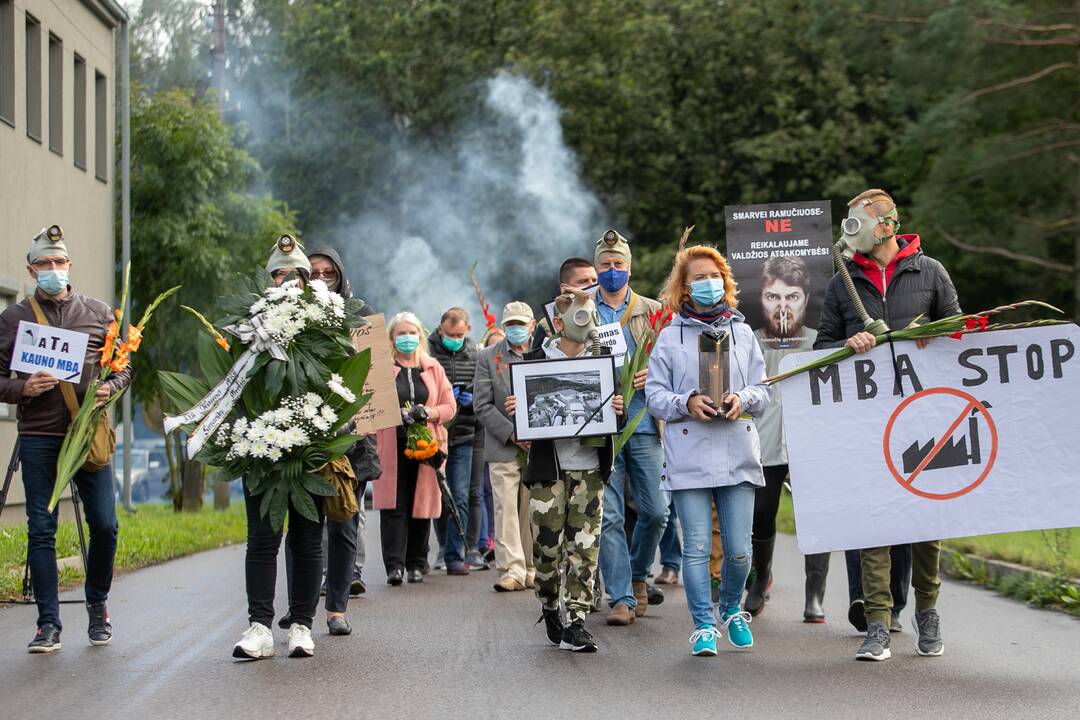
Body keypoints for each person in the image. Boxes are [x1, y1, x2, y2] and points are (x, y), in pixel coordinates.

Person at [816, 188, 960, 661]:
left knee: (925, 521)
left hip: (925, 419)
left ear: (885, 225)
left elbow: (957, 332)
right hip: (870, 423)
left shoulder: (931, 272)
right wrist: (846, 346)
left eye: (857, 220)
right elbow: (823, 347)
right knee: (873, 522)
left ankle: (928, 611)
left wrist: (933, 336)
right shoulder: (842, 283)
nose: (849, 230)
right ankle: (878, 623)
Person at [0, 226, 129, 653]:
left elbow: (124, 365)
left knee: (106, 526)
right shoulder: (13, 319)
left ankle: (98, 605)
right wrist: (22, 389)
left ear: (69, 266)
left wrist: (113, 386)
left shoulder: (97, 312)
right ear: (31, 270)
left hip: (88, 434)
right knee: (41, 530)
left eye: (59, 263)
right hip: (39, 436)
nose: (52, 270)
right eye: (44, 264)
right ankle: (48, 625)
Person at [645, 242, 770, 657]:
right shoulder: (669, 337)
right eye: (699, 278)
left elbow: (762, 391)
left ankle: (731, 608)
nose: (708, 283)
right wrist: (686, 402)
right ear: (684, 288)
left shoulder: (743, 332)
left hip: (736, 450)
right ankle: (702, 624)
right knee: (696, 547)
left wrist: (742, 399)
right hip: (689, 453)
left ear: (726, 283)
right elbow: (654, 396)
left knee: (738, 549)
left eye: (714, 276)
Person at [507, 288, 624, 652]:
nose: (583, 322)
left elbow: (612, 414)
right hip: (549, 470)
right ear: (558, 322)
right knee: (546, 549)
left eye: (588, 315)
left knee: (585, 547)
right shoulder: (536, 359)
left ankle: (576, 620)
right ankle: (548, 603)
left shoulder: (603, 359)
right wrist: (519, 410)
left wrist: (617, 407)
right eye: (576, 315)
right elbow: (524, 420)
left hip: (589, 470)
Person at [233, 235, 327, 660]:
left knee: (308, 541)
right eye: (280, 274)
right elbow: (231, 385)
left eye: (297, 275)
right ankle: (259, 627)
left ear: (308, 281)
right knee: (262, 539)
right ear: (269, 279)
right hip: (263, 448)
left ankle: (302, 626)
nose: (288, 281)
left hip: (311, 449)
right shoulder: (248, 325)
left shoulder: (327, 322)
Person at [278, 246, 380, 637]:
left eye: (328, 272)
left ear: (340, 275)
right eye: (313, 273)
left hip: (350, 439)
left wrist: (367, 420)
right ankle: (298, 605)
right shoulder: (290, 314)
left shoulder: (359, 315)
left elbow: (373, 377)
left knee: (343, 524)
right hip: (300, 436)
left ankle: (336, 608)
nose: (321, 279)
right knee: (301, 524)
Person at [591, 230, 667, 625]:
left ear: (630, 267)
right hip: (600, 428)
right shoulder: (579, 309)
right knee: (611, 516)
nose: (613, 271)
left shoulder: (653, 311)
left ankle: (638, 574)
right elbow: (563, 359)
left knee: (657, 511)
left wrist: (653, 373)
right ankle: (621, 597)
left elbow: (675, 363)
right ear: (597, 267)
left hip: (644, 424)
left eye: (619, 265)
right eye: (605, 265)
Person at [745, 256, 821, 619]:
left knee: (818, 514)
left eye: (791, 296)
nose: (783, 306)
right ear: (761, 298)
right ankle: (761, 579)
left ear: (805, 297)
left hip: (811, 441)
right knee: (762, 513)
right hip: (766, 437)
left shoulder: (821, 341)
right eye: (773, 297)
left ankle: (815, 595)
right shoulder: (750, 342)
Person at [373, 312, 456, 586]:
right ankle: (394, 566)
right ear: (392, 339)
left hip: (426, 443)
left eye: (411, 333)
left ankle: (417, 563)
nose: (406, 338)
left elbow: (450, 407)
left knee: (422, 503)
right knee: (394, 505)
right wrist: (393, 413)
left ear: (419, 336)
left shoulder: (433, 368)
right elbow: (370, 406)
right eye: (401, 334)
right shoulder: (382, 369)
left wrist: (429, 412)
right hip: (391, 442)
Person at [473, 301, 537, 592]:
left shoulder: (543, 354)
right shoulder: (488, 356)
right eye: (510, 324)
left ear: (532, 326)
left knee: (533, 509)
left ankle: (532, 567)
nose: (516, 330)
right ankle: (511, 568)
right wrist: (512, 433)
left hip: (539, 446)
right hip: (504, 445)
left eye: (521, 324)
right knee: (505, 508)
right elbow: (481, 405)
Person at [427, 307, 482, 575]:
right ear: (440, 330)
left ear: (468, 330)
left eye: (459, 334)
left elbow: (485, 393)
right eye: (450, 334)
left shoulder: (476, 354)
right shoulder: (427, 352)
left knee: (460, 495)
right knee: (439, 496)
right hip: (434, 437)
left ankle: (455, 554)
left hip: (464, 434)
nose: (455, 338)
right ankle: (442, 547)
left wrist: (471, 404)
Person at [532, 257, 598, 349]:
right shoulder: (546, 325)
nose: (592, 285)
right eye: (583, 281)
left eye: (594, 280)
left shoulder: (605, 313)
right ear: (565, 288)